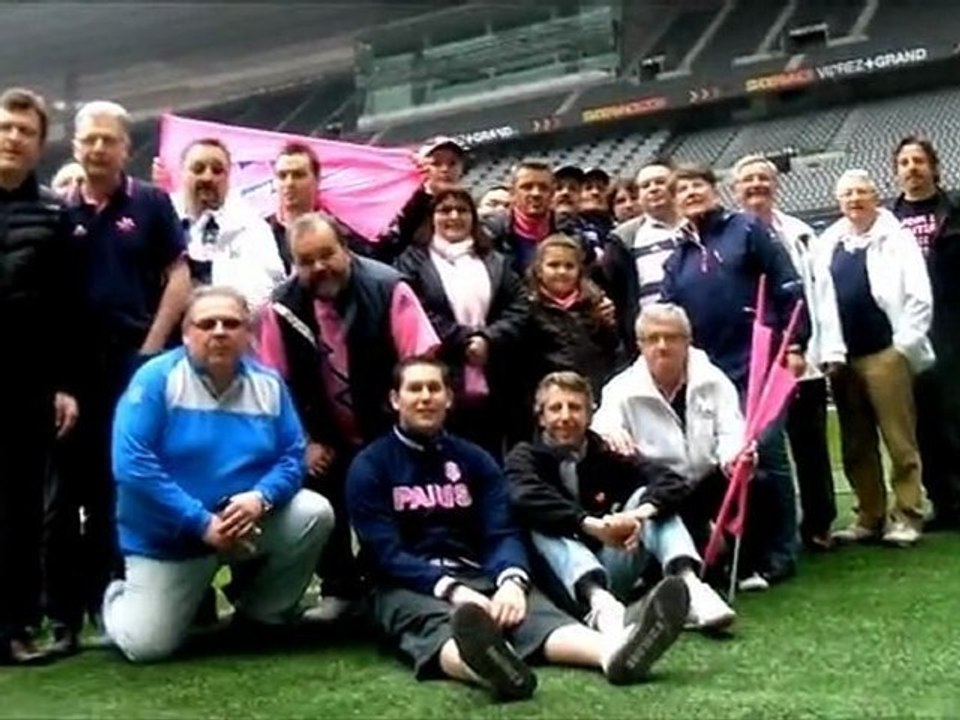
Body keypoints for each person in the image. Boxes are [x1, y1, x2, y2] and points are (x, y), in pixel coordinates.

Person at [346, 356, 689, 702]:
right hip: (405, 584)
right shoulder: (370, 466)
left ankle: (613, 652)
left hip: (478, 572)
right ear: (395, 400)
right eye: (414, 389)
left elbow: (501, 532)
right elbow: (385, 553)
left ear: (449, 398)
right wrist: (452, 590)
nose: (425, 397)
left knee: (536, 615)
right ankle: (488, 669)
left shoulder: (475, 459)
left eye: (434, 388)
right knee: (441, 626)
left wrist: (511, 581)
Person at [103, 286, 334, 663]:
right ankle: (119, 596)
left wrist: (261, 497)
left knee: (314, 513)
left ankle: (262, 614)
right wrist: (201, 524)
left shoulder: (269, 385)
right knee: (146, 647)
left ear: (248, 332)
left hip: (244, 525)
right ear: (186, 332)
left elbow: (292, 457)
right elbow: (131, 464)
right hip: (171, 538)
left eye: (231, 323)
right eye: (206, 324)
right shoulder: (156, 379)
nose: (219, 331)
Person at [46, 99, 192, 653]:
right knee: (64, 496)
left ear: (126, 148)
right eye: (89, 139)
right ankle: (64, 618)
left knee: (121, 487)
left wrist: (151, 351)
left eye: (109, 139)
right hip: (74, 373)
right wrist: (58, 377)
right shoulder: (58, 211)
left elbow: (179, 278)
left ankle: (115, 604)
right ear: (75, 144)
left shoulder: (151, 204)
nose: (98, 148)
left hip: (135, 362)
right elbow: (51, 301)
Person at [258, 212, 440, 621]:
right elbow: (274, 385)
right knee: (323, 497)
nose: (319, 267)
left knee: (398, 506)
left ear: (345, 247)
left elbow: (420, 363)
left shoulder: (389, 287)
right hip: (323, 433)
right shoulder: (279, 309)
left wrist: (405, 434)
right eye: (306, 261)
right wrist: (303, 443)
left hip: (386, 425)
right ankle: (339, 588)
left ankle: (393, 585)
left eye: (327, 254)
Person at [661, 162, 808, 589]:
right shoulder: (678, 257)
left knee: (767, 451)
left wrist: (795, 343)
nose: (691, 193)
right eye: (682, 189)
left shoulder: (747, 230)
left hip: (760, 363)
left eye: (697, 185)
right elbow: (670, 315)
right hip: (711, 373)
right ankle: (746, 549)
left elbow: (786, 285)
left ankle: (782, 551)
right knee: (729, 462)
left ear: (714, 189)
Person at [506, 371, 735, 632]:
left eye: (575, 407)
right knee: (541, 522)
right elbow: (523, 496)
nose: (566, 417)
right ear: (541, 417)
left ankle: (690, 587)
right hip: (562, 584)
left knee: (648, 501)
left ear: (590, 415)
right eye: (556, 408)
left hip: (613, 568)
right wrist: (590, 525)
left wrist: (638, 515)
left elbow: (671, 482)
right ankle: (600, 606)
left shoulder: (607, 451)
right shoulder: (525, 457)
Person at [0, 87, 80, 665]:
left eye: (24, 130)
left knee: (21, 511)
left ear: (39, 144)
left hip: (25, 384)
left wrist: (63, 383)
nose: (12, 137)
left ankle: (17, 628)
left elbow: (65, 311)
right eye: (4, 127)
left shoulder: (56, 214)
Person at [817, 169, 932, 547]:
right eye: (847, 194)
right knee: (856, 443)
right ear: (839, 202)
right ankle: (869, 516)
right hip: (843, 357)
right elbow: (820, 301)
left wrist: (903, 345)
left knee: (899, 440)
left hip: (885, 352)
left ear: (875, 197)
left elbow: (918, 294)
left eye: (861, 192)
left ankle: (908, 515)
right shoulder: (828, 243)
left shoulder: (897, 238)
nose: (854, 199)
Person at [733, 155, 838, 551]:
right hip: (756, 364)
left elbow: (818, 293)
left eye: (763, 177)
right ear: (736, 189)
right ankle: (779, 530)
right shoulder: (731, 234)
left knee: (810, 446)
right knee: (768, 451)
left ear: (776, 186)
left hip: (801, 356)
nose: (756, 184)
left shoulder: (799, 232)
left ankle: (819, 523)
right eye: (748, 179)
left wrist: (817, 346)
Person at [592, 303, 746, 563]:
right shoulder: (621, 389)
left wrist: (733, 458)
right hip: (661, 487)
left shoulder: (714, 380)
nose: (662, 346)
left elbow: (732, 430)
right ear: (640, 344)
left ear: (687, 341)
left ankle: (744, 560)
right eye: (653, 338)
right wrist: (611, 433)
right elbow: (601, 426)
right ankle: (699, 546)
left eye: (671, 337)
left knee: (757, 481)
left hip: (708, 479)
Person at [395, 188, 527, 458]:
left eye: (462, 210)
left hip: (495, 377)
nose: (454, 216)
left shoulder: (496, 260)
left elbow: (520, 307)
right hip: (440, 376)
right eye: (445, 210)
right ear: (432, 217)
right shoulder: (411, 261)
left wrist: (488, 339)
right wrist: (464, 340)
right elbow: (414, 309)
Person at [890, 136, 960, 530]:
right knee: (925, 420)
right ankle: (944, 501)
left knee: (957, 413)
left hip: (953, 323)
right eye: (904, 162)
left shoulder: (954, 209)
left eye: (919, 160)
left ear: (934, 167)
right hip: (912, 332)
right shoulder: (889, 220)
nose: (912, 168)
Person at [174, 137, 286, 309]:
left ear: (228, 177)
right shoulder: (159, 219)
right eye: (198, 169)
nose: (207, 177)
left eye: (217, 170)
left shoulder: (252, 227)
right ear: (182, 172)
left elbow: (269, 289)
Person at [523, 234, 624, 405]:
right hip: (549, 400)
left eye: (569, 266)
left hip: (593, 394)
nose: (562, 271)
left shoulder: (596, 306)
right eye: (553, 265)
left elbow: (613, 352)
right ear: (539, 271)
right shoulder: (527, 309)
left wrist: (607, 325)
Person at [609, 160, 687, 347]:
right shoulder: (625, 238)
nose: (653, 189)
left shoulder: (700, 226)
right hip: (657, 339)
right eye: (645, 185)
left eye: (660, 182)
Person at [379, 136, 467, 260]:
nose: (445, 169)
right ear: (422, 167)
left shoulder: (468, 205)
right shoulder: (408, 205)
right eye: (436, 163)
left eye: (453, 163)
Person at [267, 141, 322, 274]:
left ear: (317, 180)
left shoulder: (337, 236)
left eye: (298, 175)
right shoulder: (258, 234)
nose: (289, 183)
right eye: (282, 176)